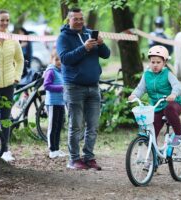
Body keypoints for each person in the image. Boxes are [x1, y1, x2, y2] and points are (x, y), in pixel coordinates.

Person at [56, 8, 110, 170]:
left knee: (93, 126)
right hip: (74, 87)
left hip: (93, 87)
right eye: (75, 19)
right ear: (69, 20)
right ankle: (74, 159)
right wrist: (84, 48)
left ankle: (89, 157)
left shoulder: (89, 34)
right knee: (76, 125)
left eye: (81, 18)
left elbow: (106, 55)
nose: (79, 21)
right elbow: (65, 59)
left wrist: (101, 44)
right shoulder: (63, 38)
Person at [128, 45, 181, 146]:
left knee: (169, 110)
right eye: (152, 62)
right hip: (156, 106)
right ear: (149, 62)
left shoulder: (168, 74)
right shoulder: (146, 75)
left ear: (164, 63)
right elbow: (141, 88)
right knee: (151, 131)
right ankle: (154, 155)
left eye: (158, 62)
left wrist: (173, 94)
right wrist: (134, 95)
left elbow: (177, 86)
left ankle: (179, 135)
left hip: (173, 104)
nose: (155, 65)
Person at [0, 9, 24, 161]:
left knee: (5, 117)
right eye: (2, 20)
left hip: (8, 84)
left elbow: (20, 60)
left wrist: (16, 77)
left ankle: (5, 150)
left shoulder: (12, 39)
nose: (4, 23)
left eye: (7, 20)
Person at [43, 50, 67, 159]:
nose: (59, 62)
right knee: (52, 127)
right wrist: (61, 88)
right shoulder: (51, 71)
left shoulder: (61, 71)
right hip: (52, 103)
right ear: (52, 60)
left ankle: (57, 148)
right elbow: (47, 86)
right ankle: (52, 149)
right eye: (56, 59)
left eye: (61, 60)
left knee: (58, 126)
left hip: (61, 102)